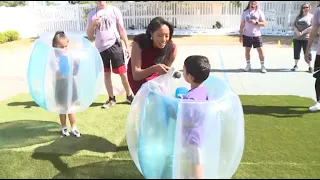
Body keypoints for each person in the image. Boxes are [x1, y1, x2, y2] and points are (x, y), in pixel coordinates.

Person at [86, 1, 134, 109]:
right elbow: (89, 35)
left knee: (123, 73)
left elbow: (121, 29)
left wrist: (127, 45)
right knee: (106, 74)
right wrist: (93, 24)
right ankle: (111, 98)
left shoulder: (114, 10)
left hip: (115, 46)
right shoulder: (92, 14)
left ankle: (129, 95)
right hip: (101, 49)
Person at [127, 16, 178, 95]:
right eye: (159, 35)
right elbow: (136, 75)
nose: (163, 39)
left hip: (157, 80)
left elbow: (163, 74)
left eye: (167, 36)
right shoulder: (139, 43)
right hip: (138, 79)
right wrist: (155, 68)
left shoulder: (172, 49)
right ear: (151, 34)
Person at [179, 55, 211, 179]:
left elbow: (187, 121)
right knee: (196, 160)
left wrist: (178, 111)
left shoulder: (190, 98)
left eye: (184, 70)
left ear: (190, 77)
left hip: (192, 137)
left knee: (196, 163)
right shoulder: (203, 90)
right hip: (200, 134)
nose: (182, 72)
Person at [52, 31, 81, 137]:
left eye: (66, 46)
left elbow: (74, 73)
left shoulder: (69, 55)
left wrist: (76, 65)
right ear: (55, 45)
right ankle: (64, 127)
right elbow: (56, 75)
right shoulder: (54, 57)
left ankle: (74, 127)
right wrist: (61, 70)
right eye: (61, 47)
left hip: (70, 84)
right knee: (63, 107)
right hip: (60, 85)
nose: (64, 49)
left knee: (71, 107)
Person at [239, 1, 267, 73]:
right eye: (251, 2)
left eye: (254, 2)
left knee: (260, 51)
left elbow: (265, 23)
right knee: (247, 51)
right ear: (249, 3)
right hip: (247, 35)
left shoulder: (259, 12)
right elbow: (242, 24)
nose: (253, 4)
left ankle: (262, 66)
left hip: (257, 35)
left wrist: (256, 22)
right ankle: (248, 65)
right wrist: (241, 35)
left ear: (256, 4)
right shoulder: (245, 13)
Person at [305, 6, 320, 112]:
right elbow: (314, 30)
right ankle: (319, 102)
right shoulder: (319, 11)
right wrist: (308, 49)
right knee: (319, 77)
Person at [291, 2, 313, 72]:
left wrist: (302, 32)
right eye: (304, 7)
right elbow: (293, 25)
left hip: (306, 38)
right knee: (296, 52)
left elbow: (312, 27)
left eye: (307, 7)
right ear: (302, 9)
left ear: (309, 8)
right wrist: (297, 32)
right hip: (297, 38)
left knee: (307, 52)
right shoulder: (298, 16)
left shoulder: (311, 17)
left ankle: (310, 66)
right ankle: (296, 65)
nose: (305, 9)